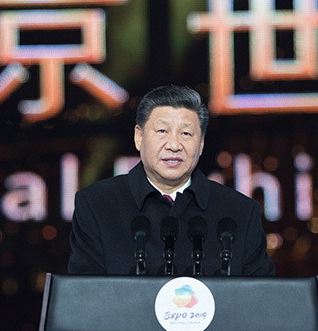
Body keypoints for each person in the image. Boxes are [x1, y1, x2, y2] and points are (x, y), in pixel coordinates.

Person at [68, 84, 275, 277]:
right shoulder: (97, 205)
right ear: (139, 137)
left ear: (201, 144)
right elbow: (85, 295)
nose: (174, 145)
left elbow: (261, 296)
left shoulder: (240, 212)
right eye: (162, 131)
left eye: (186, 133)